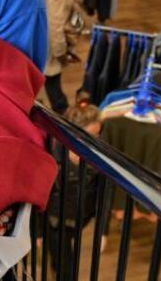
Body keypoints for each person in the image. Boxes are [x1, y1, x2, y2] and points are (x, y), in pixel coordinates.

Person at [45, 97, 102, 280]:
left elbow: (104, 192)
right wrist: (37, 231)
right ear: (76, 134)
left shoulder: (97, 154)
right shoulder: (51, 154)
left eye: (98, 133)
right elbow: (38, 194)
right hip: (54, 219)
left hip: (80, 217)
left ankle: (57, 261)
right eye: (92, 134)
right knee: (67, 269)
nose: (97, 139)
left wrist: (103, 229)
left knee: (64, 251)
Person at [26, 0, 74, 114]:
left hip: (26, 42)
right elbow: (55, 25)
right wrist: (62, 51)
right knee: (55, 92)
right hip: (46, 48)